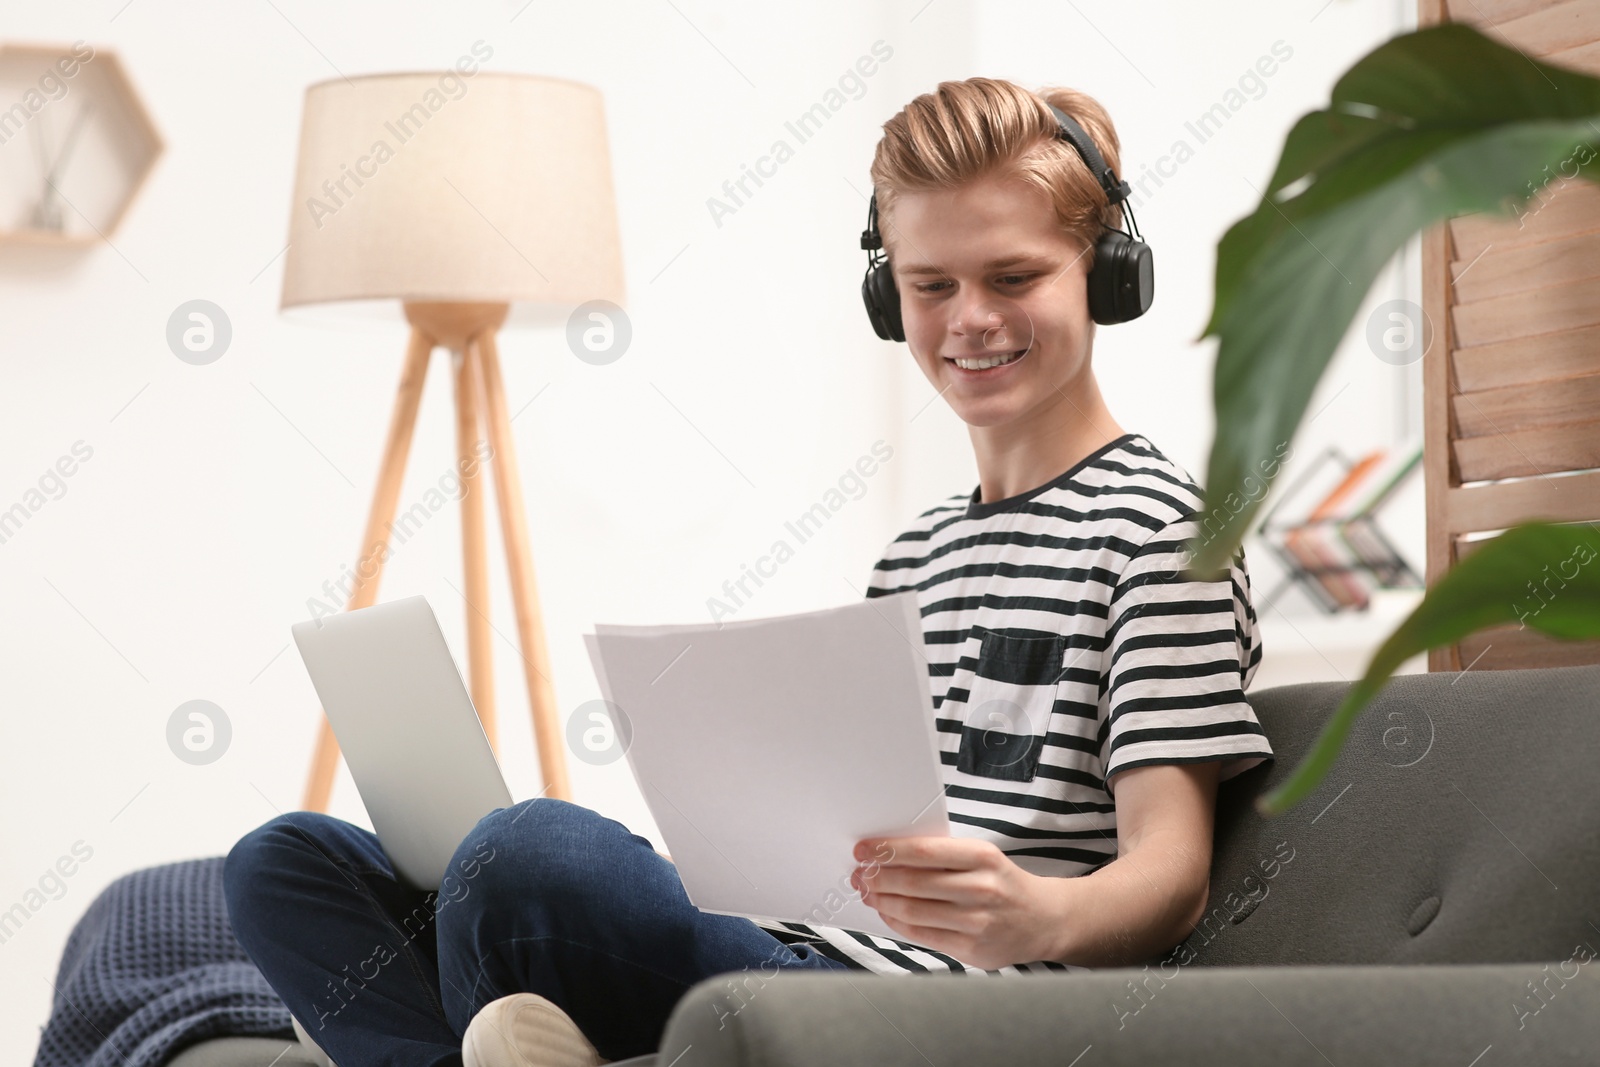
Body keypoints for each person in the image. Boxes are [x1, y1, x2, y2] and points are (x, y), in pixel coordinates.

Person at [223, 76, 1273, 1067]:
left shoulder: (1164, 531)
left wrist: (1034, 911)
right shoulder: (915, 553)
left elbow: (1171, 875)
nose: (970, 320)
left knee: (526, 851)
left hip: (928, 1005)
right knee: (282, 861)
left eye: (1013, 277)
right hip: (795, 944)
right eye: (929, 285)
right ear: (885, 294)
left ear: (1105, 276)